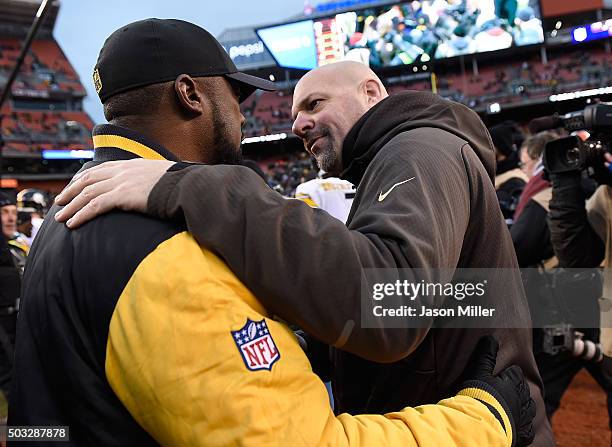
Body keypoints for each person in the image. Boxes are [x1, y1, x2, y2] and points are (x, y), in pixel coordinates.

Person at [9, 19, 534, 446]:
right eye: (236, 95)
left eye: (314, 104)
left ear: (371, 91)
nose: (251, 115)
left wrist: (195, 187)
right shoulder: (153, 236)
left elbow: (407, 297)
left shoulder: (71, 211)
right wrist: (485, 419)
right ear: (191, 94)